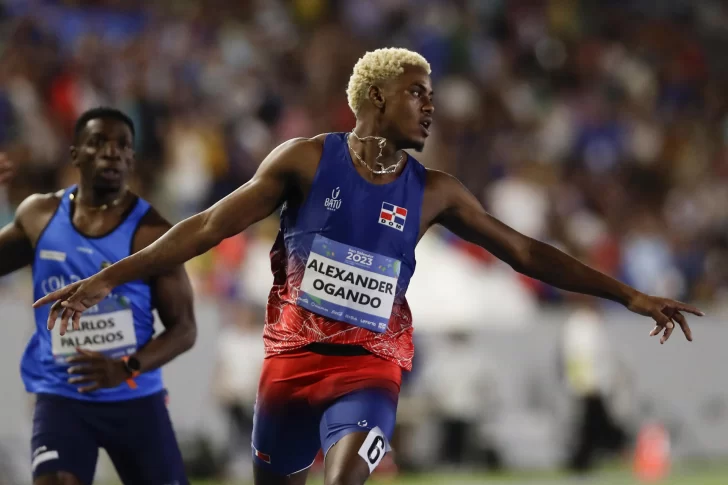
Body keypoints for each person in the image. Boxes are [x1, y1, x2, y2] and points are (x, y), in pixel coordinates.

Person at [35, 49, 703, 485]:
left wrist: (629, 295)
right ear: (378, 97)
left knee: (349, 475)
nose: (431, 105)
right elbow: (209, 226)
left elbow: (525, 252)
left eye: (433, 94)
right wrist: (107, 277)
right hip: (290, 368)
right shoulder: (302, 160)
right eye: (418, 93)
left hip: (369, 368)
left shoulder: (435, 190)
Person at [2, 107, 197, 485]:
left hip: (134, 397)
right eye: (98, 143)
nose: (112, 153)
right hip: (62, 393)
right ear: (75, 154)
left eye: (123, 145)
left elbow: (185, 329)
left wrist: (126, 367)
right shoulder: (39, 216)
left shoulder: (153, 233)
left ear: (132, 159)